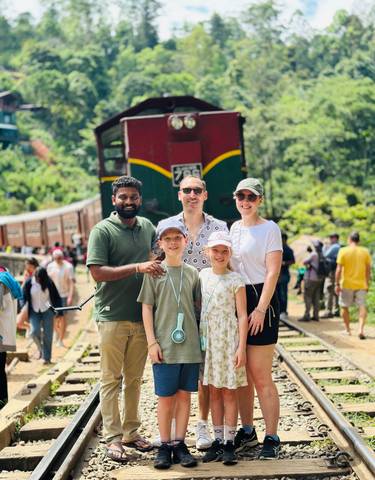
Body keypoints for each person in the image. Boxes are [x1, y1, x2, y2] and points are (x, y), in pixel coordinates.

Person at [87, 175, 164, 463]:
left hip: (141, 316)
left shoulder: (147, 227)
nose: (128, 202)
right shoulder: (102, 230)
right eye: (123, 197)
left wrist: (157, 257)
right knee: (110, 379)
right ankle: (113, 439)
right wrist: (138, 267)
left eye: (133, 197)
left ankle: (131, 433)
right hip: (112, 316)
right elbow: (97, 272)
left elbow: (158, 251)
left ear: (139, 200)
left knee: (133, 380)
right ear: (114, 200)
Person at [165, 175, 228, 450]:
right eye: (186, 190)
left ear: (205, 195)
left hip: (209, 314)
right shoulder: (167, 227)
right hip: (176, 315)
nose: (192, 194)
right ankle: (167, 432)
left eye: (197, 190)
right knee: (172, 372)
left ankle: (202, 427)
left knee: (204, 375)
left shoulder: (219, 227)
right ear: (179, 195)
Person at [138, 218, 201, 470]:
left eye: (178, 238)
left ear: (185, 241)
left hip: (190, 347)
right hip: (164, 345)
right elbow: (146, 308)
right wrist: (151, 342)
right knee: (165, 398)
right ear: (160, 243)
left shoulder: (193, 273)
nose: (173, 243)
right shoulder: (155, 272)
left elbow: (198, 309)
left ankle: (179, 443)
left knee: (185, 396)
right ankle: (164, 445)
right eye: (168, 239)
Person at [230, 178, 282, 460]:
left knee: (260, 375)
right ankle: (247, 430)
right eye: (241, 196)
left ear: (260, 200)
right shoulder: (234, 228)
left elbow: (272, 272)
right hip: (239, 300)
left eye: (251, 197)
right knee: (242, 376)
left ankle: (271, 437)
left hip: (262, 300)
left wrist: (260, 309)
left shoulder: (270, 229)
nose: (246, 201)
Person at [199, 231, 248, 465]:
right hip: (208, 341)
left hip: (228, 341)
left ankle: (229, 441)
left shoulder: (235, 280)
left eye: (224, 251)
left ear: (230, 254)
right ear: (207, 252)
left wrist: (241, 348)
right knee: (214, 391)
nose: (219, 255)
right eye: (215, 250)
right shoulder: (202, 276)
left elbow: (242, 315)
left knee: (229, 391)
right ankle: (217, 440)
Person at [335, 232, 371, 339]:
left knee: (344, 306)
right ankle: (361, 330)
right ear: (358, 240)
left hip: (346, 283)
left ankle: (347, 329)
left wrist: (337, 283)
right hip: (361, 284)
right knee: (362, 306)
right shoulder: (365, 251)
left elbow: (338, 269)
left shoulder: (343, 251)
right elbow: (368, 270)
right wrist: (367, 282)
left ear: (349, 239)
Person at [22, 267, 62, 365]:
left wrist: (59, 313)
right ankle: (41, 350)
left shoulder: (49, 283)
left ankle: (46, 358)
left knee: (48, 335)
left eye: (40, 279)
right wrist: (23, 307)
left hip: (47, 310)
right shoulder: (29, 283)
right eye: (37, 278)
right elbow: (23, 297)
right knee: (34, 332)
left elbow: (57, 298)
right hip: (34, 311)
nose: (38, 280)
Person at [0, 266, 22, 409]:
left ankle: (2, 402)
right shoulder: (8, 278)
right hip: (5, 333)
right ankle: (3, 401)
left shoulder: (1, 282)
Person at [47, 249, 75, 347]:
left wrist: (70, 296)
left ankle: (61, 339)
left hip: (64, 295)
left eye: (60, 258)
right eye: (56, 258)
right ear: (54, 258)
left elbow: (71, 283)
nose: (58, 260)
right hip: (52, 296)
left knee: (63, 318)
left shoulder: (68, 267)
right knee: (54, 317)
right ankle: (57, 333)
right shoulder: (50, 267)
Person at [299, 240, 325, 322]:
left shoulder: (313, 254)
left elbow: (304, 262)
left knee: (308, 296)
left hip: (311, 279)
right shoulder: (322, 254)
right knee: (316, 297)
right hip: (319, 279)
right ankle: (316, 315)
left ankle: (307, 315)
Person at [17, 257, 40, 335]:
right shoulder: (26, 272)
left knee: (19, 321)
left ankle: (32, 329)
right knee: (22, 321)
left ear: (32, 265)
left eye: (27, 265)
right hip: (23, 296)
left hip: (32, 299)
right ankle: (30, 328)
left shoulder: (37, 272)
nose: (26, 266)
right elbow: (24, 283)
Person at [276, 233, 295, 321]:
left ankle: (284, 311)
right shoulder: (277, 248)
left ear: (284, 239)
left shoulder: (288, 250)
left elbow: (292, 261)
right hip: (277, 275)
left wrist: (284, 263)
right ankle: (279, 311)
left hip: (284, 275)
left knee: (283, 294)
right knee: (278, 294)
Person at [321, 233, 341, 318]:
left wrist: (324, 246)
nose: (330, 239)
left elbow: (324, 255)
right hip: (335, 271)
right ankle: (336, 310)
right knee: (334, 291)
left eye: (331, 237)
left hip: (332, 272)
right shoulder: (338, 246)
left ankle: (328, 311)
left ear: (335, 238)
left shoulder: (335, 247)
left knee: (328, 290)